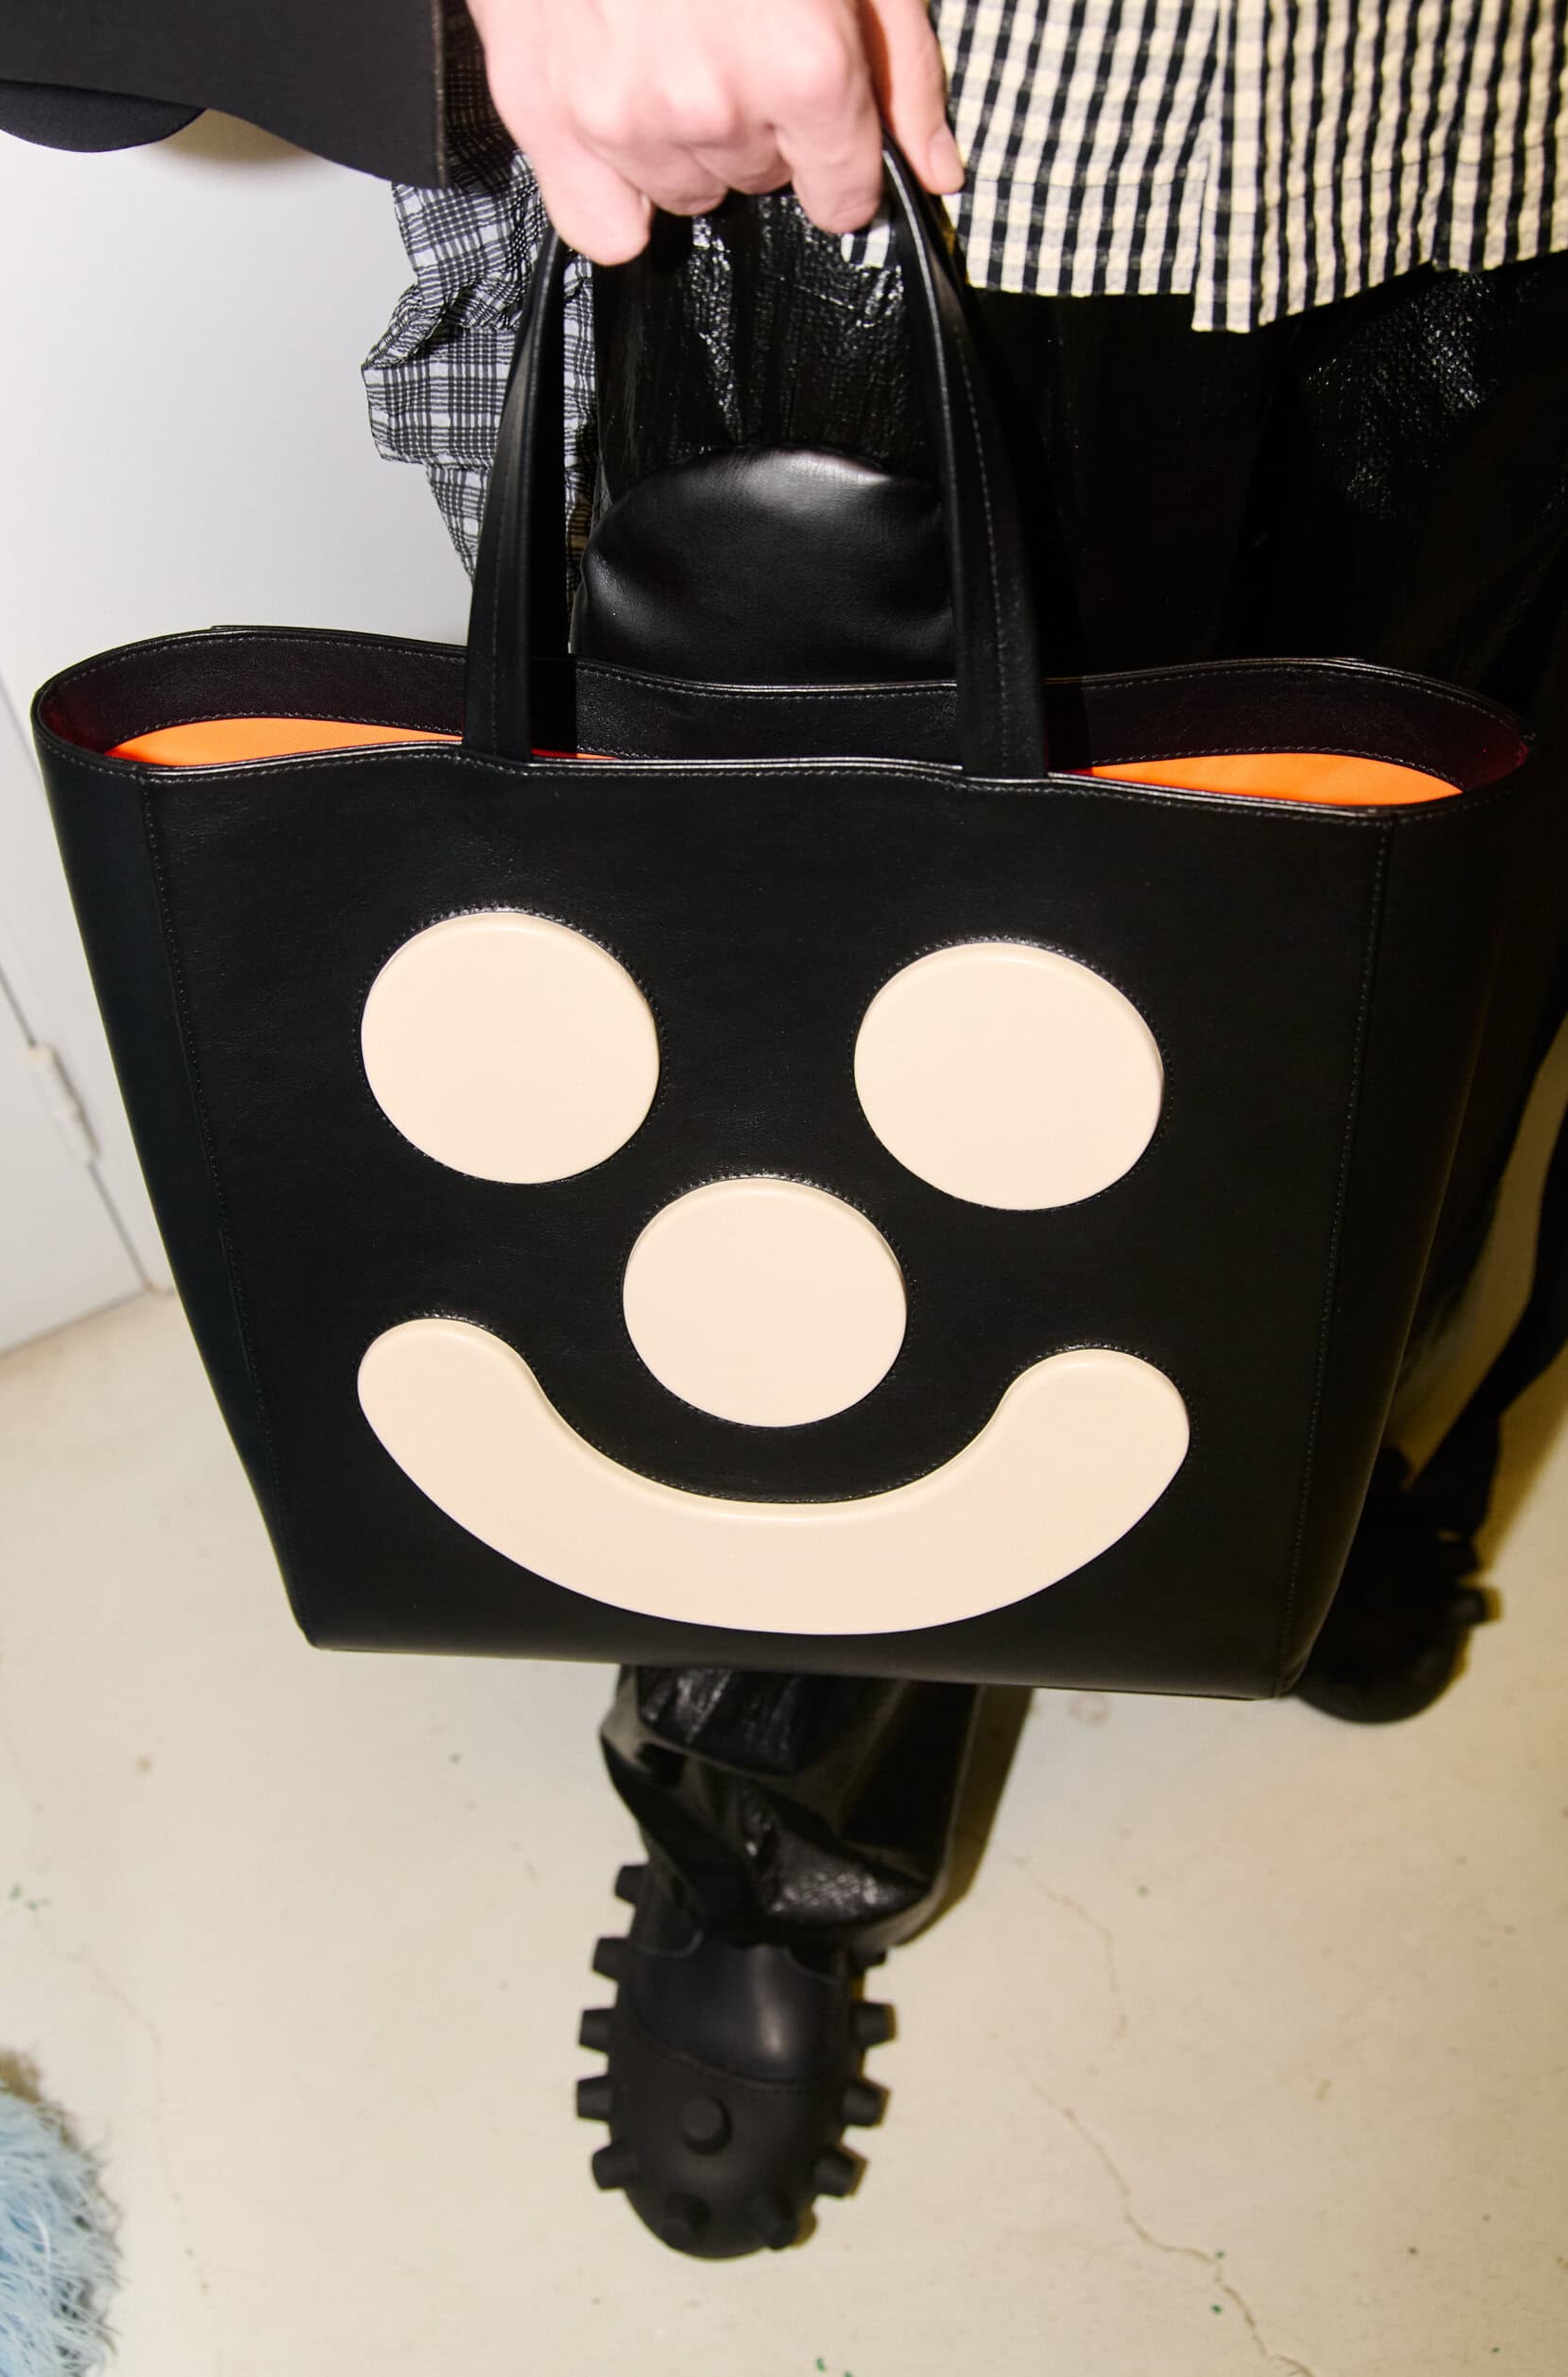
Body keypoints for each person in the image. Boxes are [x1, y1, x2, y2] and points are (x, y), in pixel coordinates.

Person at [361, 0, 1568, 2262]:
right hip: (934, 123)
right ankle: (779, 1811)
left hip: (1496, 121)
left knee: (1421, 931)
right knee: (813, 1091)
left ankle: (1310, 1481)